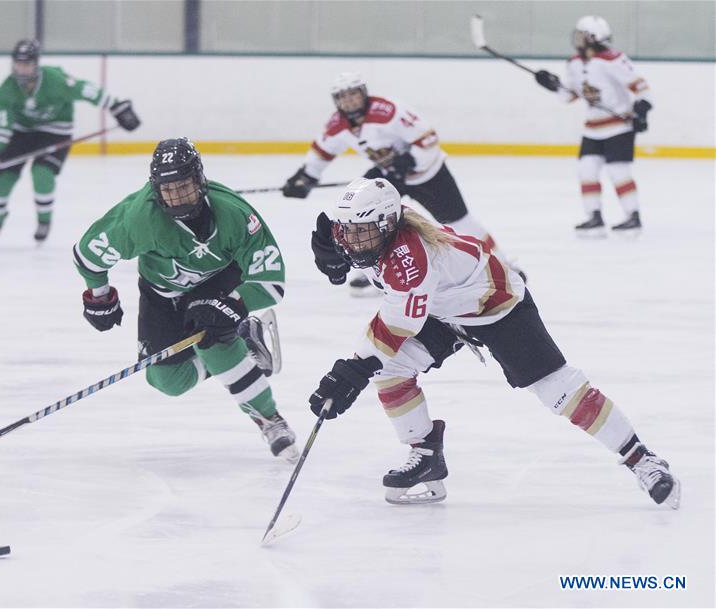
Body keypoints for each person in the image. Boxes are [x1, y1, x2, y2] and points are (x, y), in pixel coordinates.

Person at [307, 176, 680, 508]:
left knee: (559, 391)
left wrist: (353, 368)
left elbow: (399, 321)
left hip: (498, 308)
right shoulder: (381, 236)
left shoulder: (409, 257)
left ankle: (643, 460)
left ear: (388, 223)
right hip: (444, 311)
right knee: (391, 367)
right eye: (347, 232)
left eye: (361, 232)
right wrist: (339, 259)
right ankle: (426, 455)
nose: (353, 241)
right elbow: (398, 301)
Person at [73, 138, 298, 462]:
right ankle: (246, 342)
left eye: (184, 186)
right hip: (161, 294)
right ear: (156, 189)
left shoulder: (233, 214)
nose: (177, 196)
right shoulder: (139, 218)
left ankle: (269, 419)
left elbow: (271, 280)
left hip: (219, 281)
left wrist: (233, 304)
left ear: (200, 179)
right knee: (167, 381)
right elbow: (89, 254)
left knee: (213, 341)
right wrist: (99, 297)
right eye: (168, 189)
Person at [283, 72, 516, 294]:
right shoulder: (338, 124)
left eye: (353, 93)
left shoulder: (388, 111)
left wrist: (408, 161)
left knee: (459, 221)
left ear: (363, 92)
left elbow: (428, 139)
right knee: (369, 220)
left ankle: (503, 264)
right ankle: (374, 268)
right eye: (342, 96)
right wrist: (305, 177)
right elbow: (322, 151)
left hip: (427, 174)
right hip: (389, 177)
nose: (349, 100)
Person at [0, 39, 140, 245]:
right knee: (2, 176)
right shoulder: (6, 89)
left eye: (26, 64)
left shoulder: (55, 80)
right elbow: (0, 122)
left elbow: (86, 90)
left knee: (42, 174)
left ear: (36, 64)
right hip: (23, 133)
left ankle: (44, 222)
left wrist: (116, 106)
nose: (22, 68)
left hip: (55, 131)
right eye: (18, 64)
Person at [534, 16, 652, 236]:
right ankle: (594, 216)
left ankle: (632, 215)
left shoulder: (613, 60)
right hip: (592, 129)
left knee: (619, 172)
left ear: (593, 38)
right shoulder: (574, 63)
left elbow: (641, 86)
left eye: (582, 35)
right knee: (586, 170)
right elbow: (570, 95)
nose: (577, 39)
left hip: (619, 127)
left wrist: (641, 110)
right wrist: (553, 84)